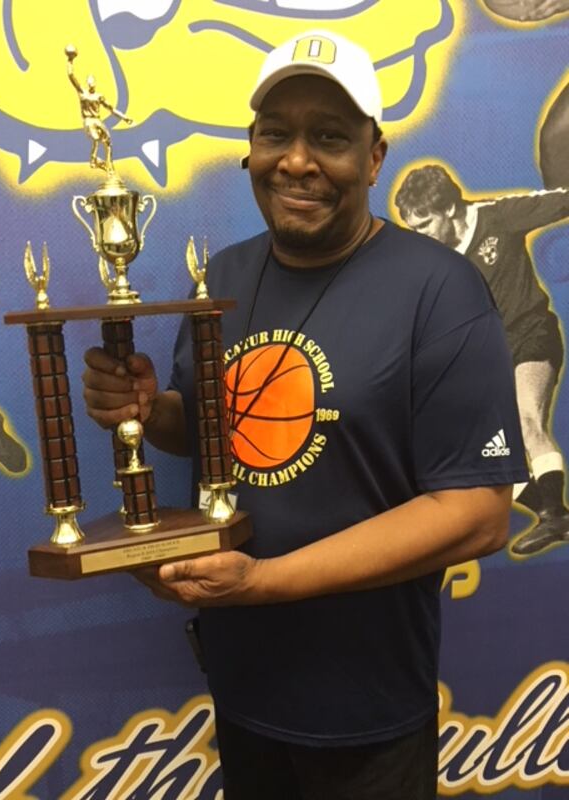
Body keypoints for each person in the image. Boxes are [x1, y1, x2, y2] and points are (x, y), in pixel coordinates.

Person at [83, 31, 527, 800]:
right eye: (276, 133)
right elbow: (223, 434)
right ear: (251, 148)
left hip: (368, 711)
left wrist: (262, 582)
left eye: (329, 136)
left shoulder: (440, 291)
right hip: (245, 689)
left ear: (374, 156)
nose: (297, 160)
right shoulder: (220, 275)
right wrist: (151, 413)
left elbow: (479, 513)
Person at [394, 164, 569, 557]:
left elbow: (560, 203)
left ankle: (555, 513)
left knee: (526, 420)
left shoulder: (498, 218)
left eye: (425, 224)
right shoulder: (429, 259)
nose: (419, 235)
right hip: (486, 357)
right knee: (478, 449)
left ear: (450, 211)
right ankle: (551, 512)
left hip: (532, 335)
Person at [65, 45, 132, 173]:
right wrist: (70, 60)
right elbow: (71, 76)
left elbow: (111, 109)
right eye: (89, 82)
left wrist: (124, 118)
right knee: (96, 138)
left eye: (93, 82)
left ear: (95, 84)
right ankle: (93, 159)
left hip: (97, 120)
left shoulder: (99, 97)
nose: (91, 84)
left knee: (108, 142)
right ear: (87, 84)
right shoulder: (82, 93)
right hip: (89, 120)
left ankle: (109, 165)